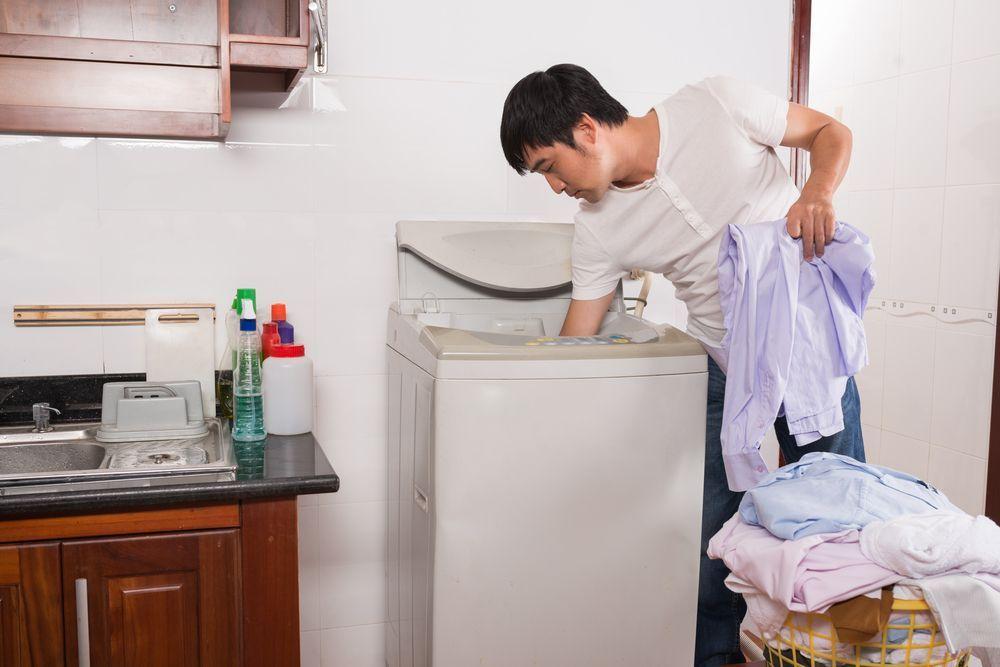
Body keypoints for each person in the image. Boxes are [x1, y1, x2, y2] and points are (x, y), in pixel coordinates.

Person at [499, 64, 865, 666]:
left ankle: (845, 656)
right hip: (720, 366)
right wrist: (508, 405)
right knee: (708, 546)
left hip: (806, 351)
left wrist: (817, 191)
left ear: (587, 129)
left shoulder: (716, 103)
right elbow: (576, 344)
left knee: (838, 523)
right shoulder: (597, 231)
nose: (555, 188)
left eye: (548, 167)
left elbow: (831, 131)